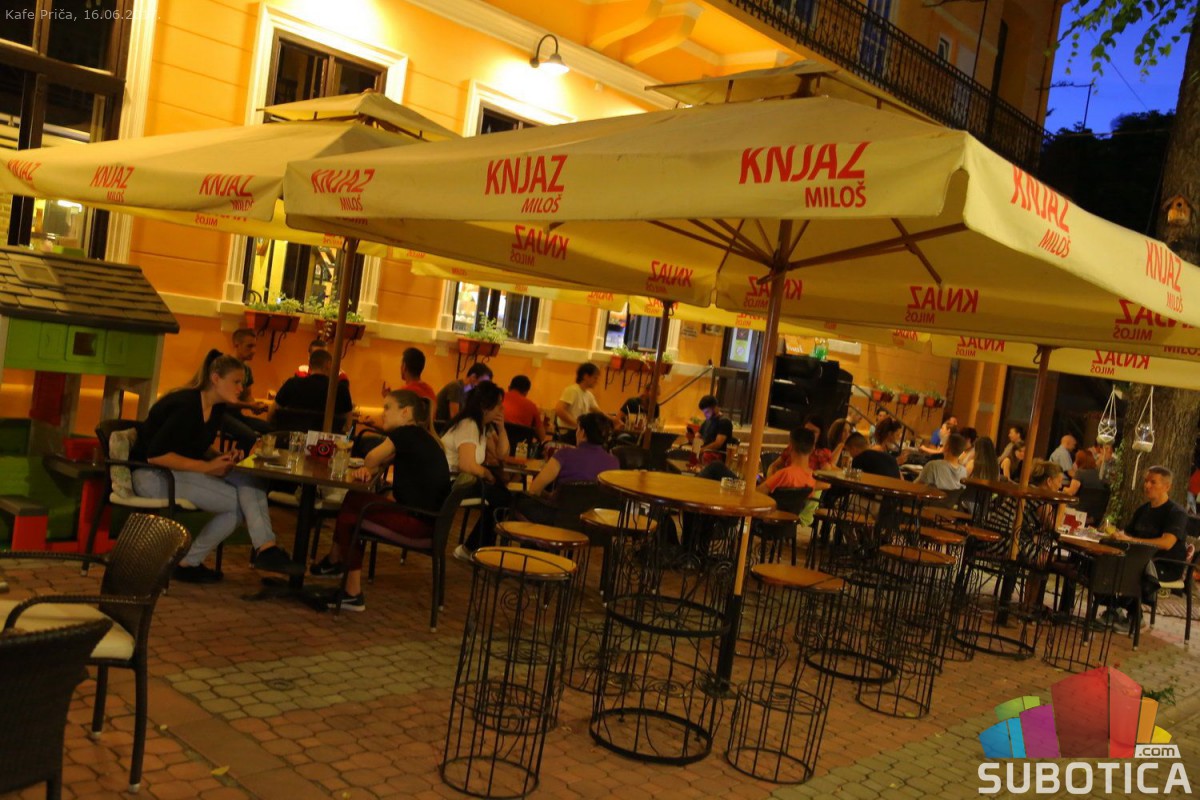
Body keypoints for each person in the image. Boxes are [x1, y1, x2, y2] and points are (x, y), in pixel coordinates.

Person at [131, 355, 300, 583]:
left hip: (178, 472)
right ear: (215, 378)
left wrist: (221, 457)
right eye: (236, 382)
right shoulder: (185, 405)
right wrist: (207, 467)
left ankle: (266, 548)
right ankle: (189, 562)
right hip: (151, 475)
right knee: (238, 505)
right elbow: (155, 454)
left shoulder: (216, 408)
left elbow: (192, 445)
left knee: (248, 480)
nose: (241, 388)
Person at [310, 390, 451, 612]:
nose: (383, 413)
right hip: (430, 524)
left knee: (353, 509)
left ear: (405, 413)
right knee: (355, 499)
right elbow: (380, 463)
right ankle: (335, 562)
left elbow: (371, 458)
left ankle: (351, 593)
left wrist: (369, 466)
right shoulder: (420, 436)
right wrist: (370, 469)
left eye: (387, 408)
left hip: (418, 528)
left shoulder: (405, 433)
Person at [1103, 466, 1190, 627]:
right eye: (1146, 481)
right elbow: (1128, 534)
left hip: (1165, 565)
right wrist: (1116, 535)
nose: (1147, 486)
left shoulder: (1176, 513)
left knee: (1135, 570)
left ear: (1167, 487)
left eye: (1153, 482)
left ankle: (1135, 618)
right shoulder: (1142, 510)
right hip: (1140, 560)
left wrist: (1133, 540)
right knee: (1104, 564)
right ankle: (1113, 608)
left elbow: (1167, 543)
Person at [443, 381, 509, 555]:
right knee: (503, 498)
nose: (501, 409)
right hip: (451, 482)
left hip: (463, 480)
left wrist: (501, 429)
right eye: (499, 405)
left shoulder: (482, 426)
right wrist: (487, 473)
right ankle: (475, 549)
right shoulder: (469, 425)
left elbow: (501, 454)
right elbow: (467, 464)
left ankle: (476, 548)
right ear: (486, 407)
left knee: (503, 496)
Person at [273, 349, 354, 420]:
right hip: (326, 433)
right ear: (329, 365)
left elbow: (272, 413)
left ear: (310, 366)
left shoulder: (291, 384)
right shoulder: (341, 390)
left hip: (292, 432)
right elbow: (347, 425)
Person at [760, 428, 817, 493]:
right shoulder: (812, 478)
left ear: (790, 446)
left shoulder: (786, 474)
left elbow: (757, 492)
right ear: (813, 449)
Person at [555, 363, 601, 441]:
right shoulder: (572, 390)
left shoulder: (589, 395)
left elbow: (598, 412)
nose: (596, 381)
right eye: (595, 378)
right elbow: (559, 410)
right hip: (568, 433)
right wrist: (578, 425)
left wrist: (612, 420)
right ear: (586, 376)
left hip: (577, 432)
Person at [503, 375, 548, 443]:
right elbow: (542, 436)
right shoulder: (532, 406)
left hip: (496, 443)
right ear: (526, 392)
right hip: (519, 447)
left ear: (509, 387)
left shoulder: (498, 398)